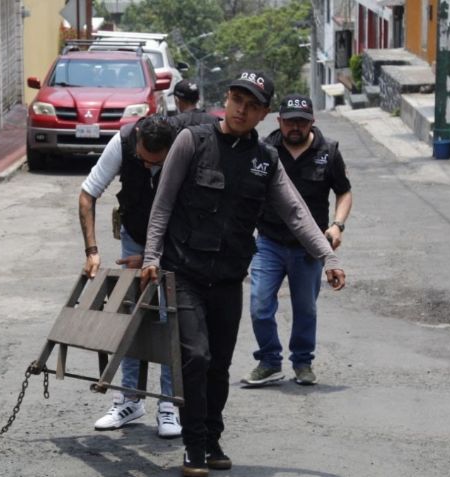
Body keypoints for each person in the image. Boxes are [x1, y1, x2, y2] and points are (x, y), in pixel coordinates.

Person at [140, 70, 346, 477]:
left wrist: (330, 258)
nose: (241, 109)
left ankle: (212, 437)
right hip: (184, 272)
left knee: (218, 364)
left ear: (264, 114)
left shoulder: (264, 160)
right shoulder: (192, 141)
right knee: (195, 357)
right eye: (236, 99)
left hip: (229, 277)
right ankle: (193, 446)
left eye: (252, 105)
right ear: (227, 99)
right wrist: (150, 256)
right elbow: (162, 204)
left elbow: (297, 214)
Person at [79, 114, 182, 438]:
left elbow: (198, 210)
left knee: (166, 316)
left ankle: (168, 404)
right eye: (144, 160)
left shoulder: (186, 147)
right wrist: (92, 251)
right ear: (137, 140)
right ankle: (129, 399)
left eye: (157, 163)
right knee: (131, 312)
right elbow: (87, 194)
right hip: (134, 233)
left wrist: (156, 256)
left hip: (174, 239)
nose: (149, 167)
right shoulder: (122, 143)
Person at [242, 94, 352, 388]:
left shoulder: (328, 152)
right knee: (259, 305)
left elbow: (344, 192)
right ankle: (269, 361)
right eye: (289, 121)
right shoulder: (263, 150)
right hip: (268, 241)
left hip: (308, 248)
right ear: (279, 121)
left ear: (311, 123)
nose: (295, 127)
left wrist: (338, 225)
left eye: (301, 122)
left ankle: (303, 362)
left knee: (306, 308)